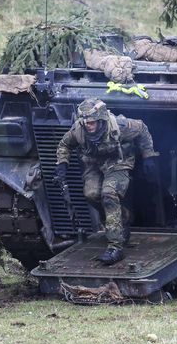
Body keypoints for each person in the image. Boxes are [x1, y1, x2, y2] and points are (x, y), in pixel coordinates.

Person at [55, 99, 159, 266]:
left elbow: (142, 129)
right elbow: (64, 145)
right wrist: (62, 164)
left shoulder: (120, 126)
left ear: (101, 119)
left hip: (118, 162)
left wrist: (148, 156)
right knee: (91, 194)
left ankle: (115, 246)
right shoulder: (78, 130)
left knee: (109, 194)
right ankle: (122, 218)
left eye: (92, 122)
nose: (88, 125)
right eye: (85, 122)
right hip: (93, 164)